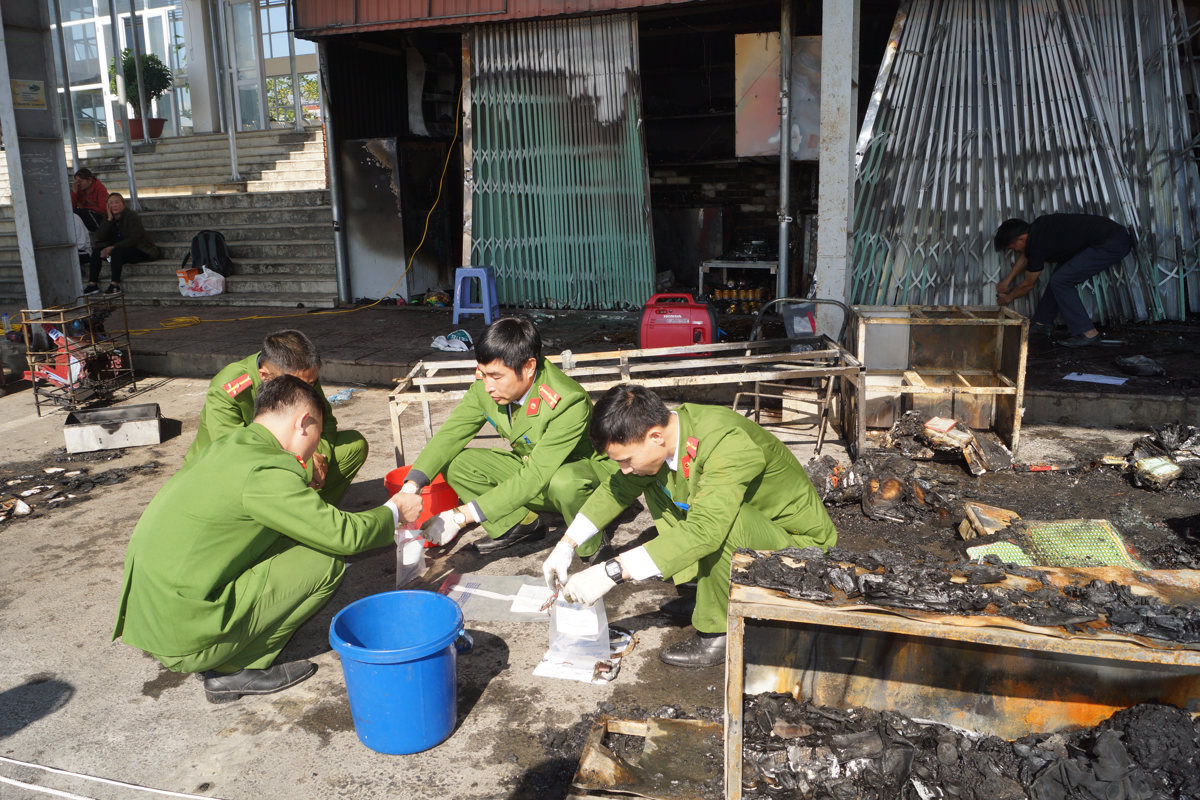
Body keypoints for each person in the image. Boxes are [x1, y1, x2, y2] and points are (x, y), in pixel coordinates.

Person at [113, 376, 424, 703]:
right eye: (317, 436)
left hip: (155, 614)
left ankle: (225, 648)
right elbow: (344, 536)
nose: (315, 448)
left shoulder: (233, 444)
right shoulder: (266, 472)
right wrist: (394, 511)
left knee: (293, 537)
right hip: (184, 633)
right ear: (303, 423)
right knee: (325, 561)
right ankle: (232, 669)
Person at [541, 384, 837, 668]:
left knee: (719, 523)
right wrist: (567, 544)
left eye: (627, 459)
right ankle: (705, 592)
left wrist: (614, 571)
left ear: (655, 436)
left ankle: (718, 629)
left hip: (801, 549)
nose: (625, 469)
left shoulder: (725, 441)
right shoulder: (669, 433)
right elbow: (616, 489)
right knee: (657, 481)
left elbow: (707, 529)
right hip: (757, 530)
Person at [406, 316, 616, 557]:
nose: (488, 386)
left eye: (496, 376)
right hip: (535, 474)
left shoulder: (567, 401)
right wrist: (411, 487)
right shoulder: (487, 388)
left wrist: (461, 516)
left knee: (565, 482)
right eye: (483, 374)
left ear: (528, 367)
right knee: (456, 464)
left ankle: (592, 546)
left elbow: (536, 475)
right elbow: (450, 435)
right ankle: (519, 525)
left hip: (580, 482)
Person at [186, 329, 367, 506]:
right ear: (265, 376)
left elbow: (324, 422)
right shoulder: (228, 388)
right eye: (301, 386)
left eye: (311, 384)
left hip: (284, 459)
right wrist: (300, 463)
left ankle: (307, 516)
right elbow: (235, 454)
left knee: (353, 446)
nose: (306, 391)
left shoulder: (303, 376)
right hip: (225, 472)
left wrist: (316, 455)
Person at [994, 214, 1133, 347]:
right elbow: (1026, 254)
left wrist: (1008, 298)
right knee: (1060, 278)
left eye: (1012, 247)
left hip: (1112, 243)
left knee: (1061, 281)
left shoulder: (1037, 244)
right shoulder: (1038, 228)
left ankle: (1089, 334)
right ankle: (1042, 324)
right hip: (1103, 239)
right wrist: (1007, 280)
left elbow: (1028, 285)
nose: (1015, 250)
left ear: (1021, 239)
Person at [85, 193, 161, 296]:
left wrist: (112, 247)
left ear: (123, 204)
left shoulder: (131, 216)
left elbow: (134, 239)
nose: (114, 205)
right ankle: (92, 284)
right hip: (119, 252)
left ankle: (114, 285)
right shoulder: (107, 217)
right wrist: (109, 220)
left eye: (117, 202)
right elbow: (99, 237)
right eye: (111, 203)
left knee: (116, 251)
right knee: (97, 251)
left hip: (140, 250)